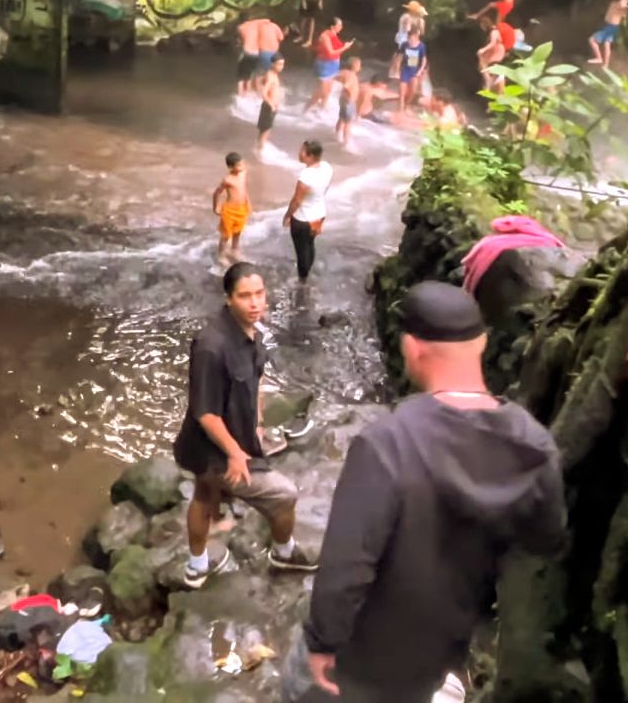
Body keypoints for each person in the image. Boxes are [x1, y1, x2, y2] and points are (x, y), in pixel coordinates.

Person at [296, 282, 566, 702]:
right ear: (482, 343)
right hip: (443, 647)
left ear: (413, 348)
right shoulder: (535, 444)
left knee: (300, 681)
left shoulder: (388, 443)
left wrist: (322, 640)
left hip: (368, 653)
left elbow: (346, 566)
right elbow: (545, 539)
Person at [172, 262, 319, 588]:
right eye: (244, 296)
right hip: (211, 450)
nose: (254, 303)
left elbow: (256, 380)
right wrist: (236, 454)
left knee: (204, 495)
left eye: (259, 294)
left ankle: (197, 568)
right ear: (228, 299)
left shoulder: (254, 334)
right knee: (284, 495)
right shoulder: (211, 346)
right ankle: (284, 552)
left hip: (228, 442)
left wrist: (257, 424)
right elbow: (205, 413)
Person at [283, 140, 331, 283]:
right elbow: (324, 189)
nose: (299, 153)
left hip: (303, 219)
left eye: (302, 151)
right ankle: (307, 271)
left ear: (310, 156)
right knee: (310, 244)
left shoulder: (306, 176)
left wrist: (287, 216)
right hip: (319, 215)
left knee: (301, 250)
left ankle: (302, 279)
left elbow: (297, 201)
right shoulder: (327, 167)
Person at [305, 17, 354, 113]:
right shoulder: (325, 36)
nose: (341, 27)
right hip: (324, 65)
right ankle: (305, 110)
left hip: (334, 64)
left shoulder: (334, 35)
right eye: (339, 25)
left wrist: (345, 45)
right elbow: (331, 52)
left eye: (341, 25)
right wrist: (345, 48)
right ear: (332, 26)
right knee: (321, 91)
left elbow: (336, 49)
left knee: (328, 92)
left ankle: (321, 111)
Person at [213, 152, 251, 266]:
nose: (241, 167)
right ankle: (221, 254)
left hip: (241, 208)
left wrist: (248, 202)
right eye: (238, 165)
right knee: (226, 235)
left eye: (242, 164)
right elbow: (217, 193)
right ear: (231, 167)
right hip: (229, 210)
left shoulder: (243, 174)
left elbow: (244, 189)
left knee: (238, 232)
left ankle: (235, 250)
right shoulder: (227, 180)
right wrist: (216, 206)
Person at [588, 0, 628, 69]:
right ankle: (605, 64)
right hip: (612, 26)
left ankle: (599, 58)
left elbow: (623, 2)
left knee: (592, 40)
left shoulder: (620, 5)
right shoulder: (621, 4)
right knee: (607, 44)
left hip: (610, 27)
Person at [237, 18, 286, 96]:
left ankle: (258, 95)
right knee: (273, 74)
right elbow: (281, 38)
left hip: (263, 53)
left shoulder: (257, 27)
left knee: (258, 76)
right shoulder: (274, 26)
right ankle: (275, 92)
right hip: (275, 53)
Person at [389, 0, 427, 80]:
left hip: (411, 38)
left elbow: (421, 32)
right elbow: (407, 29)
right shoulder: (407, 17)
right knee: (400, 55)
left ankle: (409, 71)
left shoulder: (415, 18)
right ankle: (395, 71)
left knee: (411, 54)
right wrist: (415, 29)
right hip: (404, 38)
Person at [257, 55, 286, 155]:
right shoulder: (270, 75)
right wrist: (271, 105)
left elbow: (261, 82)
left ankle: (260, 149)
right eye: (279, 64)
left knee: (265, 130)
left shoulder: (273, 74)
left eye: (282, 64)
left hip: (270, 107)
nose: (281, 67)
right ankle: (260, 151)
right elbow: (264, 92)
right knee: (265, 131)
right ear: (272, 64)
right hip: (268, 107)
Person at [333, 57, 362, 148]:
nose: (360, 68)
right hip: (349, 101)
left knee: (341, 118)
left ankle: (337, 136)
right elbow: (347, 85)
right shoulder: (352, 76)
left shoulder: (344, 72)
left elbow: (333, 77)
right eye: (359, 66)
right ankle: (347, 143)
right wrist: (348, 92)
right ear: (356, 67)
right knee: (348, 122)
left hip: (342, 99)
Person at [397, 29, 429, 111]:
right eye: (409, 38)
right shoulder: (405, 44)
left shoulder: (421, 46)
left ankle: (407, 104)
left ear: (416, 37)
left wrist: (421, 70)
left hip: (414, 69)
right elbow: (399, 57)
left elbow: (424, 59)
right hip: (405, 69)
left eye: (412, 38)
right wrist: (397, 69)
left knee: (413, 90)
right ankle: (401, 107)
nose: (410, 40)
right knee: (402, 91)